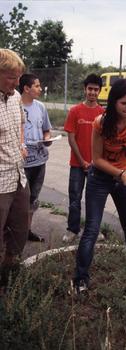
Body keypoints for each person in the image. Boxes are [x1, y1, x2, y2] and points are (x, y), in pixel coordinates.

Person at [72, 78, 126, 293]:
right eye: (124, 103)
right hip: (99, 179)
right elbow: (97, 159)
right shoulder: (101, 122)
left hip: (124, 180)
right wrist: (120, 173)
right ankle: (80, 278)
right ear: (113, 103)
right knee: (92, 229)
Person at [0, 49, 30, 292]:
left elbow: (20, 122)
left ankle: (10, 279)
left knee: (20, 230)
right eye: (12, 77)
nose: (17, 82)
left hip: (19, 177)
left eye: (19, 77)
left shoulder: (16, 97)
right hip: (0, 182)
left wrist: (21, 145)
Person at [63, 74, 104, 243]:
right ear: (85, 89)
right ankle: (73, 229)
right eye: (90, 89)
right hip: (77, 164)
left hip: (97, 165)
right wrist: (82, 161)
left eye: (96, 89)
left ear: (99, 91)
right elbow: (71, 138)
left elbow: (105, 139)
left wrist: (96, 161)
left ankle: (93, 230)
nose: (92, 92)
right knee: (75, 198)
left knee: (95, 200)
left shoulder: (103, 113)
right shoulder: (75, 111)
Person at [19, 73, 52, 242]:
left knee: (33, 199)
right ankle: (13, 233)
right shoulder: (15, 106)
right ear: (26, 88)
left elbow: (46, 129)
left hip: (40, 161)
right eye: (37, 86)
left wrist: (47, 139)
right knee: (18, 201)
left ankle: (27, 231)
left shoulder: (40, 107)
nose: (40, 89)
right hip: (21, 164)